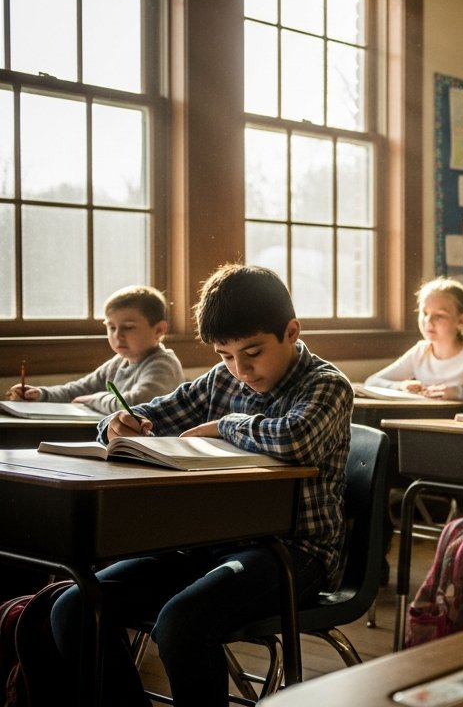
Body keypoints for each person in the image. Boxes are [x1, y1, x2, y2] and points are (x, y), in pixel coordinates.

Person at [48, 264, 353, 706]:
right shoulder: (220, 378)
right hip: (205, 543)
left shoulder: (326, 385)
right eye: (225, 355)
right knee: (75, 608)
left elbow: (294, 440)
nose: (241, 369)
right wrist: (117, 424)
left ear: (291, 331)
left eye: (253, 352)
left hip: (292, 555)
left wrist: (223, 425)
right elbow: (151, 413)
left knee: (182, 623)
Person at [5, 284, 184, 410]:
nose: (117, 335)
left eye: (128, 327)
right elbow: (78, 389)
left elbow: (134, 404)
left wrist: (93, 399)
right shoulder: (119, 362)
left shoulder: (163, 364)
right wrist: (41, 394)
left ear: (159, 330)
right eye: (111, 327)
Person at [364, 276, 463, 409]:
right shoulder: (420, 352)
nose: (428, 322)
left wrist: (460, 394)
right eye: (425, 313)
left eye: (439, 316)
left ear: (461, 320)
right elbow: (372, 382)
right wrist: (402, 386)